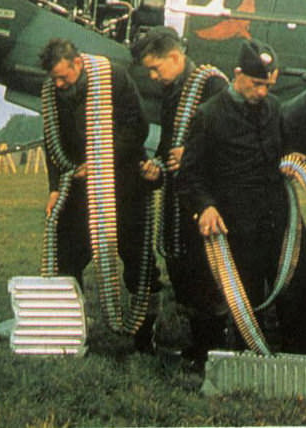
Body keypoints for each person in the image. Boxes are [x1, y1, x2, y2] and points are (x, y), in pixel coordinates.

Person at [179, 38, 306, 359]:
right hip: (240, 226)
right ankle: (248, 365)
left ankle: (303, 361)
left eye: (267, 85)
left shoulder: (275, 108)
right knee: (247, 299)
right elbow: (188, 176)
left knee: (298, 296)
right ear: (237, 74)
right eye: (256, 84)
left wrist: (294, 160)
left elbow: (286, 148)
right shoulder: (208, 116)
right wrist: (205, 206)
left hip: (281, 221)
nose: (262, 92)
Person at [38, 38, 160, 352]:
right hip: (79, 187)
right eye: (55, 79)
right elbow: (53, 143)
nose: (60, 84)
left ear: (77, 63)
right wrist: (55, 187)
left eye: (64, 76)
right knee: (66, 256)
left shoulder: (113, 77)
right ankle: (71, 332)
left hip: (124, 184)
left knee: (139, 261)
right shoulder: (54, 92)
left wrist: (102, 160)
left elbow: (138, 128)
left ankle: (145, 336)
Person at [130, 26, 229, 365]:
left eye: (156, 68)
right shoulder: (173, 92)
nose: (154, 76)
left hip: (203, 199)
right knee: (184, 274)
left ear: (175, 56)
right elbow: (167, 145)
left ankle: (212, 349)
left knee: (206, 278)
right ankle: (198, 346)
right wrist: (157, 166)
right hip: (178, 199)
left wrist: (191, 153)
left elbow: (229, 139)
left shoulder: (212, 84)